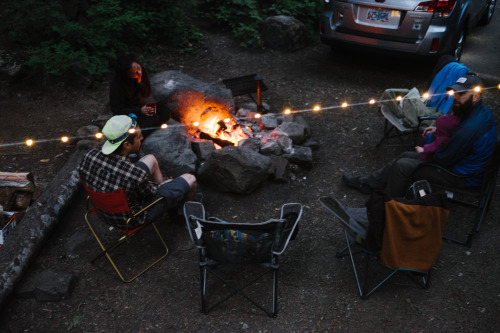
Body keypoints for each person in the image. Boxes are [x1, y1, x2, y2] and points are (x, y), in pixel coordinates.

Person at [342, 72, 497, 197]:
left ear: (475, 96)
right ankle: (368, 183)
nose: (455, 97)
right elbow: (458, 136)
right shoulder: (479, 111)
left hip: (463, 176)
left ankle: (388, 207)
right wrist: (439, 131)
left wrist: (430, 142)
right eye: (455, 92)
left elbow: (444, 158)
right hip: (463, 162)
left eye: (461, 94)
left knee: (403, 166)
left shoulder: (470, 129)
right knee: (404, 155)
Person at [79, 114, 197, 228]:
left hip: (103, 210)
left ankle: (169, 207)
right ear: (126, 145)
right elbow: (150, 194)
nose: (142, 138)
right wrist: (166, 184)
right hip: (131, 219)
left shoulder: (89, 155)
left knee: (151, 158)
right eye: (138, 136)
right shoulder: (135, 175)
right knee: (190, 178)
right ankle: (184, 216)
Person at [109, 54, 170, 137]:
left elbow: (146, 94)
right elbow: (118, 112)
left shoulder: (140, 71)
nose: (139, 72)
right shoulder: (117, 86)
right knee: (153, 118)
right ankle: (135, 138)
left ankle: (146, 130)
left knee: (165, 111)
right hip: (129, 115)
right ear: (126, 75)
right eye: (134, 73)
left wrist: (140, 82)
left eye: (138, 67)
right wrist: (140, 111)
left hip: (140, 107)